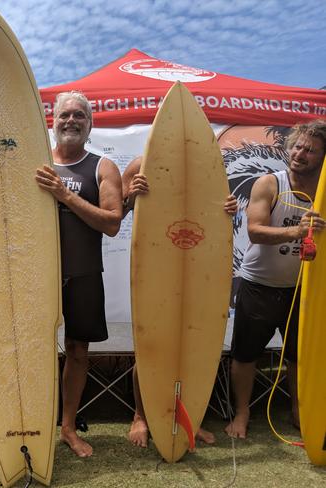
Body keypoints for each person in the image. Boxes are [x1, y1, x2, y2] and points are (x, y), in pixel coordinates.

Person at [121, 156, 238, 448]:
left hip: (196, 264)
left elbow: (213, 214)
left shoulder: (207, 168)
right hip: (154, 264)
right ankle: (142, 416)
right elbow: (121, 211)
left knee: (191, 345)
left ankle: (190, 417)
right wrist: (131, 196)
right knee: (150, 346)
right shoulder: (140, 165)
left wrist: (228, 210)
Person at [224, 120, 326, 438]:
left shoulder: (324, 191)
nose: (300, 153)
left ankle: (299, 410)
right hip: (260, 285)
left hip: (303, 289)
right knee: (246, 353)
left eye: (310, 150)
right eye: (297, 146)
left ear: (322, 157)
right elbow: (255, 231)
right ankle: (242, 413)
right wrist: (297, 231)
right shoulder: (270, 183)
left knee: (300, 355)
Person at [35, 91, 123, 457]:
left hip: (83, 273)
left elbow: (112, 223)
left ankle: (68, 427)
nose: (71, 120)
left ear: (90, 124)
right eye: (64, 115)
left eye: (79, 116)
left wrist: (64, 194)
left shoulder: (102, 167)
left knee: (77, 350)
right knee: (32, 350)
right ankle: (32, 423)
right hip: (37, 275)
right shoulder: (35, 161)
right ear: (52, 122)